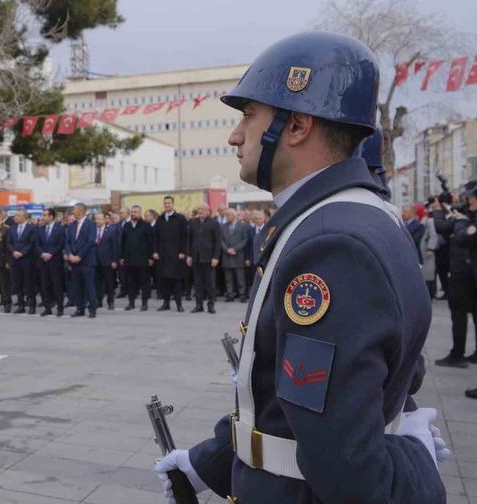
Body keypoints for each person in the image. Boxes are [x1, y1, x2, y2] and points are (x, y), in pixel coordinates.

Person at [155, 32, 444, 504]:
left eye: (249, 115)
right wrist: (207, 463)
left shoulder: (333, 243)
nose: (235, 134)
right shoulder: (343, 217)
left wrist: (415, 464)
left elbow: (347, 465)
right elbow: (300, 397)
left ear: (297, 126)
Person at [435, 187, 477, 369]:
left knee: (459, 311)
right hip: (466, 272)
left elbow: (461, 236)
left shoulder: (468, 219)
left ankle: (457, 354)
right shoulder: (468, 216)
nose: (469, 202)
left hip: (464, 273)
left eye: (471, 199)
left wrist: (458, 220)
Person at [153, 196, 188, 311]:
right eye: (165, 203)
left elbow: (184, 236)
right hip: (163, 254)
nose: (167, 205)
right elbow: (155, 237)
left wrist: (183, 251)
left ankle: (179, 304)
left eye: (169, 203)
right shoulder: (160, 219)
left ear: (173, 204)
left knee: (176, 280)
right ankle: (166, 303)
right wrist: (155, 251)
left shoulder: (180, 218)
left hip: (176, 254)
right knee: (165, 280)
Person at [65, 203, 97, 318]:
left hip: (86, 261)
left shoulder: (91, 224)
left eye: (74, 209)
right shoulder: (72, 225)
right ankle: (80, 308)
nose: (73, 211)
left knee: (89, 286)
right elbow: (67, 241)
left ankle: (92, 309)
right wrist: (69, 254)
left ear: (81, 210)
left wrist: (79, 256)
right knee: (77, 286)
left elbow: (90, 242)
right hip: (73, 261)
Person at [187, 204, 221, 313]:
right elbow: (189, 240)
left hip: (209, 258)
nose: (200, 211)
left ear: (208, 211)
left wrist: (216, 257)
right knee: (198, 283)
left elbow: (217, 242)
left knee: (210, 283)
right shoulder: (193, 222)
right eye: (199, 209)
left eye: (202, 209)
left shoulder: (214, 223)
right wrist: (189, 256)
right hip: (196, 258)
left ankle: (211, 305)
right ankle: (199, 305)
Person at [121, 205, 153, 311]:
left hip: (143, 259)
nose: (134, 214)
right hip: (129, 259)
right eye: (132, 212)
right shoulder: (126, 225)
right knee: (131, 282)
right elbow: (123, 242)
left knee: (144, 282)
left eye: (136, 212)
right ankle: (131, 303)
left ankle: (144, 303)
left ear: (140, 213)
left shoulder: (146, 225)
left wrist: (150, 257)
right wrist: (122, 256)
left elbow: (150, 243)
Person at [35, 208, 66, 317]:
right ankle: (47, 307)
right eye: (42, 215)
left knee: (57, 285)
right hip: (43, 261)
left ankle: (60, 307)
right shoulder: (40, 229)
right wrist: (42, 254)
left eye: (45, 215)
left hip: (55, 261)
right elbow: (37, 244)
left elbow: (61, 244)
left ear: (51, 217)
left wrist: (50, 254)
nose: (42, 217)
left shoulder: (60, 229)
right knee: (44, 285)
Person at [7, 210, 37, 314]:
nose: (15, 217)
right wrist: (13, 251)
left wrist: (22, 253)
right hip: (14, 260)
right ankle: (21, 305)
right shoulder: (12, 228)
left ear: (24, 217)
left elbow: (32, 243)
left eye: (18, 215)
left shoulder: (31, 228)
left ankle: (32, 305)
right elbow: (8, 242)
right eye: (15, 215)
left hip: (27, 260)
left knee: (29, 284)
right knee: (17, 284)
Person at [220, 208, 249, 303]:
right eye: (226, 215)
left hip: (238, 255)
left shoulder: (243, 226)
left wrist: (235, 248)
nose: (226, 217)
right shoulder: (223, 226)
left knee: (240, 277)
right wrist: (227, 249)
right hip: (227, 255)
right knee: (228, 278)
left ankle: (242, 295)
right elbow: (221, 240)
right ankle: (230, 294)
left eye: (228, 215)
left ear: (234, 216)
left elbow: (245, 240)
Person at [93, 213, 120, 310]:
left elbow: (115, 247)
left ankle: (110, 301)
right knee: (97, 283)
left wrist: (114, 260)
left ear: (105, 220)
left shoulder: (111, 231)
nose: (98, 221)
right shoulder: (92, 231)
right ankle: (99, 300)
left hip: (107, 261)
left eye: (100, 219)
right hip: (95, 261)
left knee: (109, 283)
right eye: (96, 219)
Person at [416, 204, 439, 297]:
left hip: (427, 251)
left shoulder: (429, 221)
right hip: (420, 250)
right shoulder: (418, 221)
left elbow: (433, 235)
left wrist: (431, 248)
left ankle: (431, 292)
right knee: (423, 272)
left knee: (429, 273)